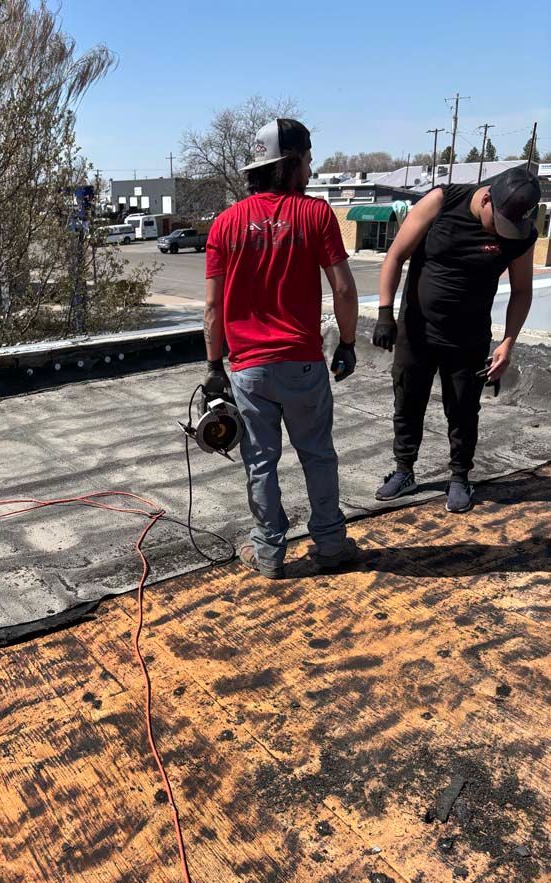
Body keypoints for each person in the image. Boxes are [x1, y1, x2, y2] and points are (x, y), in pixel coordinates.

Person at [203, 118, 360, 579]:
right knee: (318, 455)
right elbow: (345, 291)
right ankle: (330, 545)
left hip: (249, 369)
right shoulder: (315, 215)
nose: (310, 170)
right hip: (304, 364)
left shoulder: (225, 224)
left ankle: (269, 554)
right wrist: (347, 344)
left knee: (260, 463)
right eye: (307, 161)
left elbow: (212, 308)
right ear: (290, 164)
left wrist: (215, 365)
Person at [372, 167, 540, 512]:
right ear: (488, 196)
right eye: (499, 222)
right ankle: (405, 471)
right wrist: (385, 313)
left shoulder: (520, 235)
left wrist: (508, 342)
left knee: (463, 410)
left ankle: (460, 477)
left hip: (469, 337)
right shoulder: (442, 201)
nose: (501, 232)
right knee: (407, 401)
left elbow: (522, 291)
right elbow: (396, 255)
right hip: (417, 330)